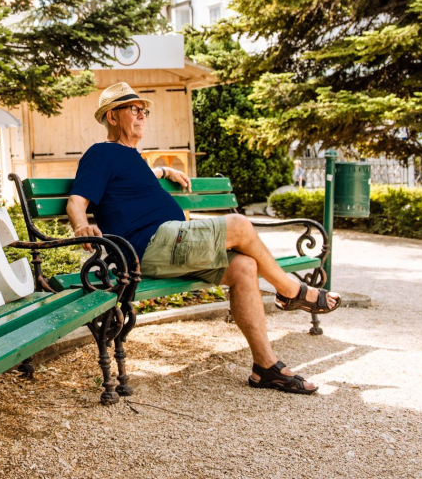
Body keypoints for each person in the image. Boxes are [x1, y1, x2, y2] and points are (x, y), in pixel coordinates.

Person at [67, 82, 341, 394]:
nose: (142, 114)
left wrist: (162, 171)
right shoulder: (101, 153)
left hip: (174, 246)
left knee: (244, 267)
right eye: (134, 109)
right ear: (112, 117)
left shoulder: (132, 157)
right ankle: (292, 290)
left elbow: (133, 179)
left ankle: (265, 366)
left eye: (144, 110)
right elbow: (76, 201)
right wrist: (80, 227)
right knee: (238, 224)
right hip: (149, 245)